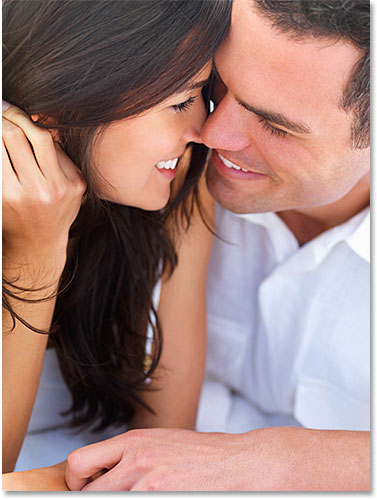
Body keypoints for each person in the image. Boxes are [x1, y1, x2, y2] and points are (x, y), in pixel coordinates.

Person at [63, 0, 370, 491]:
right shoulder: (156, 166)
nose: (211, 134)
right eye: (217, 86)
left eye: (274, 125)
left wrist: (275, 463)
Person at [2, 0, 232, 490]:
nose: (204, 131)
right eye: (180, 101)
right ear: (61, 114)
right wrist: (38, 250)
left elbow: (166, 448)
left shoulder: (180, 188)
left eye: (203, 95)